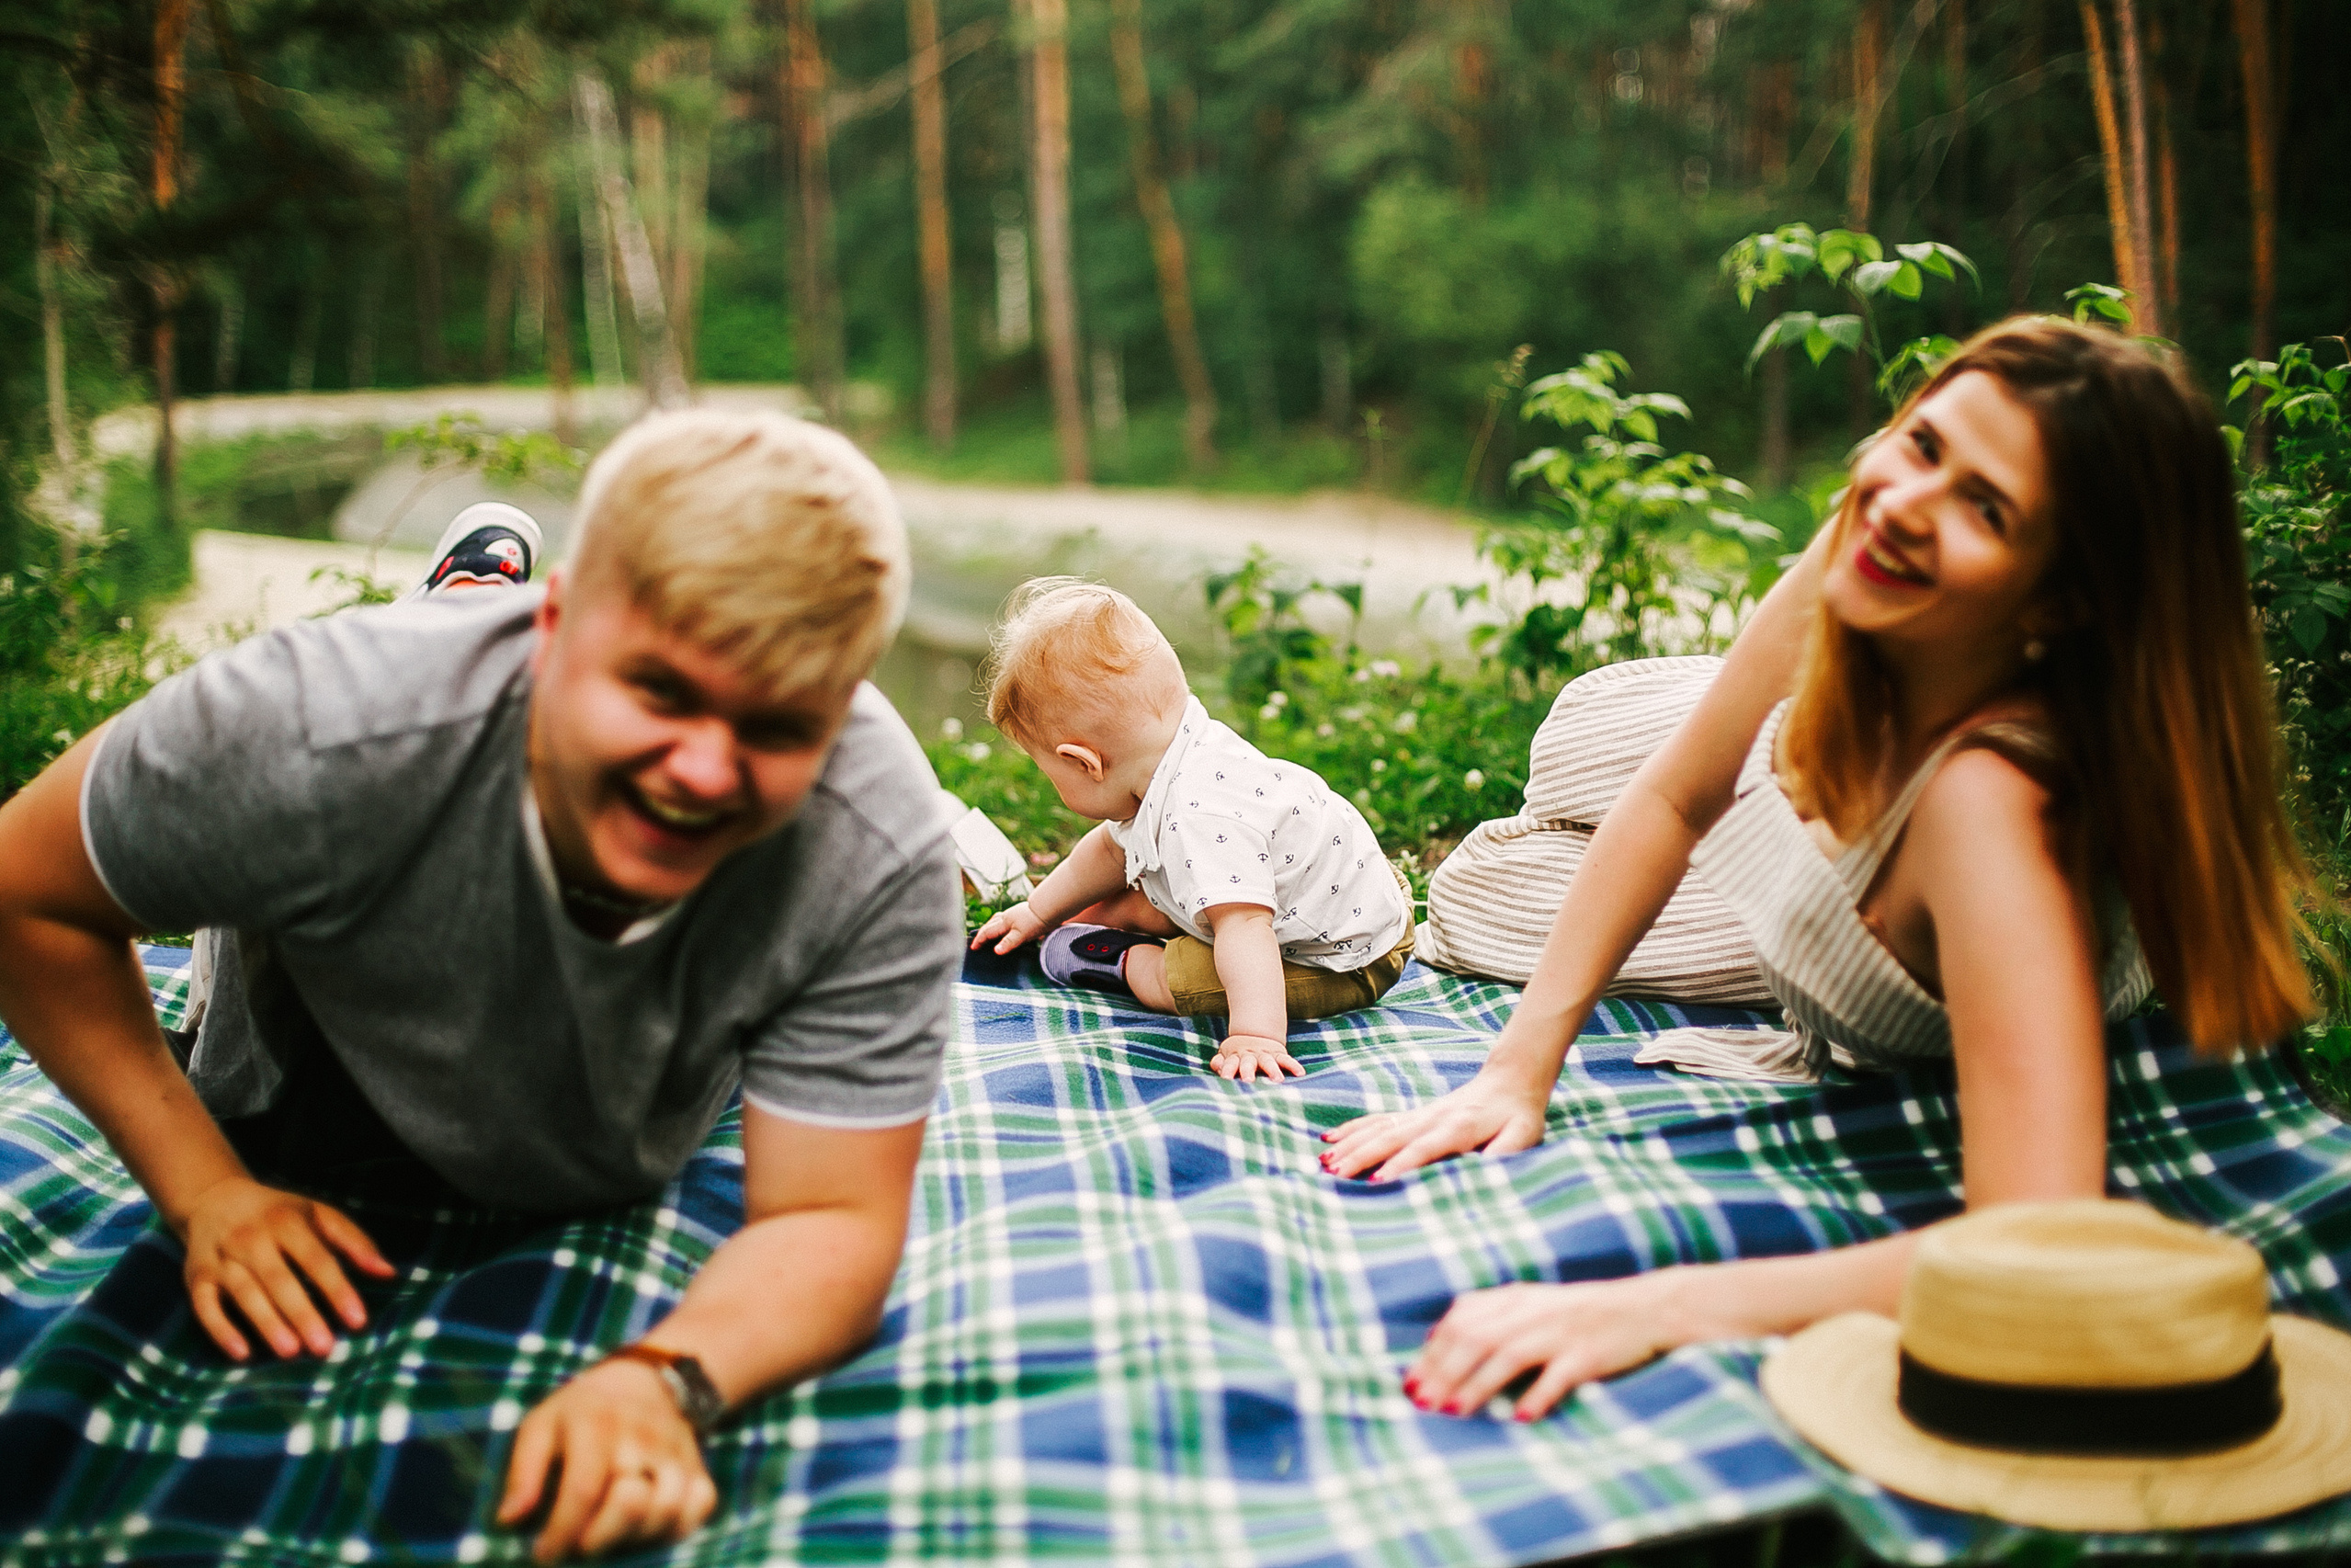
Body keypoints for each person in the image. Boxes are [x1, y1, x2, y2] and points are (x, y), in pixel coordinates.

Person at [0, 409, 965, 1562]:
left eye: (775, 725)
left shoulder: (879, 838)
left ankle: (487, 607)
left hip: (606, 1139)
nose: (703, 769)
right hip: (307, 1080)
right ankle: (458, 601)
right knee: (415, 710)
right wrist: (206, 1191)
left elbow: (832, 1213)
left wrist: (670, 1380)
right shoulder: (316, 723)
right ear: (550, 623)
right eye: (658, 689)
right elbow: (25, 889)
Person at [1320, 318, 2316, 1422]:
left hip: (1858, 878)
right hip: (1800, 758)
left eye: (1985, 507)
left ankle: (1747, 775)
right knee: (1581, 749)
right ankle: (1711, 734)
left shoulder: (1990, 811)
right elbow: (1668, 793)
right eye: (1922, 443)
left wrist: (1657, 1304)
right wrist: (1518, 1068)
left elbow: (2030, 1233)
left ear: (2061, 598)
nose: (1902, 502)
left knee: (1476, 892)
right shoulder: (1869, 545)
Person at [969, 580, 1414, 1083]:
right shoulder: (1174, 754)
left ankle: (1122, 960)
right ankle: (1100, 920)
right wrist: (1036, 909)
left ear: (1085, 763)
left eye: (1050, 774)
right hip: (1351, 891)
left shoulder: (1201, 815)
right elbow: (1108, 851)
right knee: (1168, 889)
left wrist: (1254, 1035)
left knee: (1186, 978)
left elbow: (1246, 928)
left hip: (1345, 956)